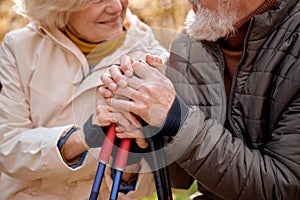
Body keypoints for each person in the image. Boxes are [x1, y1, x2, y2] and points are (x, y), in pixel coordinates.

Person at [100, 0, 300, 199]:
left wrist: (178, 120)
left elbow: (285, 188)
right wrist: (143, 123)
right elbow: (180, 178)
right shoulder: (193, 40)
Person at [0, 0, 169, 199]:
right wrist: (84, 136)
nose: (116, 7)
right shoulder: (19, 47)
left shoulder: (152, 58)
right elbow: (8, 148)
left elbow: (149, 184)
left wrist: (132, 157)